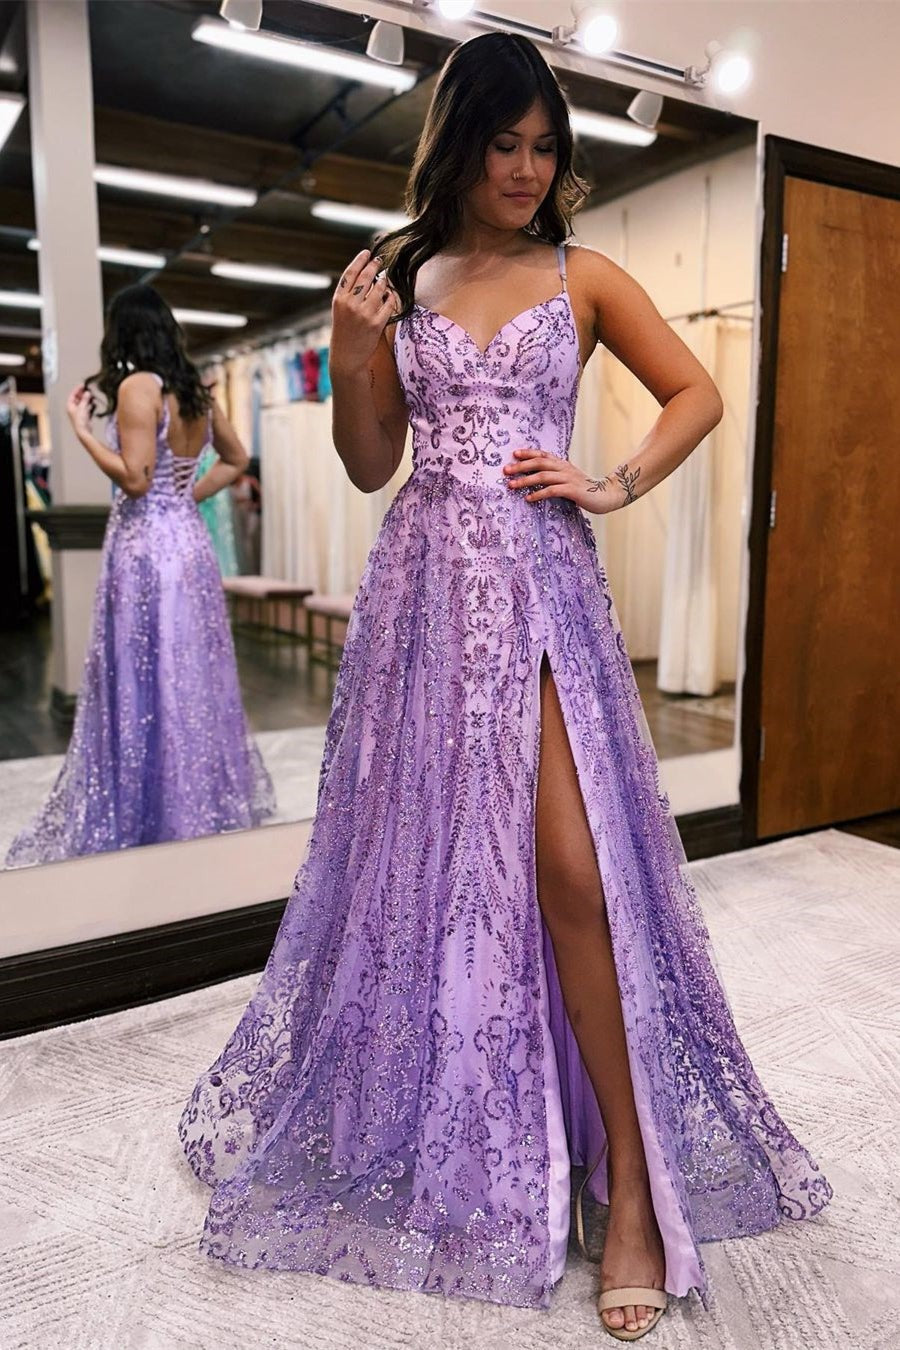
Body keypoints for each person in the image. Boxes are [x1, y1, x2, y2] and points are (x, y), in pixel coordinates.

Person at [178, 32, 831, 1341]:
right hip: (426, 592)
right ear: (459, 143)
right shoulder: (401, 275)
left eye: (544, 146)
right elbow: (370, 463)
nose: (527, 169)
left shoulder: (582, 275)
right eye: (503, 144)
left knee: (572, 871)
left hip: (538, 589)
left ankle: (633, 1183)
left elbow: (696, 394)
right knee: (428, 871)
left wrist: (609, 482)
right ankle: (483, 1128)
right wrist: (357, 356)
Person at [5, 285, 275, 868]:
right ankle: (193, 804)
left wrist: (80, 430)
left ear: (121, 332)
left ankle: (151, 810)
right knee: (187, 673)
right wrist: (189, 494)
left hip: (147, 549)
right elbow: (235, 458)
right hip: (189, 544)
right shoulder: (192, 390)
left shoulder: (137, 387)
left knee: (142, 671)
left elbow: (134, 479)